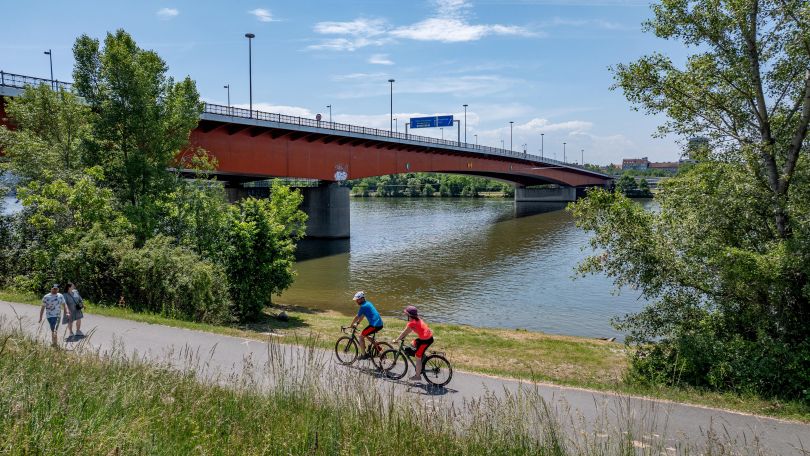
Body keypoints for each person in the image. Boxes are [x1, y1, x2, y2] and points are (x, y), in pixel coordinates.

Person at [393, 305, 433, 382]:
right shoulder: (417, 319)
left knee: (417, 356)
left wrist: (397, 340)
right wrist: (403, 336)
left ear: (409, 315)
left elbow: (404, 332)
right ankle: (422, 357)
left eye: (406, 314)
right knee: (413, 343)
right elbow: (408, 331)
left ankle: (417, 376)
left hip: (425, 340)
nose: (406, 315)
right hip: (427, 337)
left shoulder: (411, 323)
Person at [349, 291, 384, 359]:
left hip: (374, 325)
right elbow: (363, 315)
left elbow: (357, 316)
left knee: (361, 336)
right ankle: (379, 350)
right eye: (356, 300)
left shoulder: (363, 306)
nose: (356, 301)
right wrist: (357, 323)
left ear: (362, 299)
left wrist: (351, 324)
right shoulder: (368, 303)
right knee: (366, 335)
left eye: (357, 300)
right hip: (379, 324)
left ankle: (363, 355)